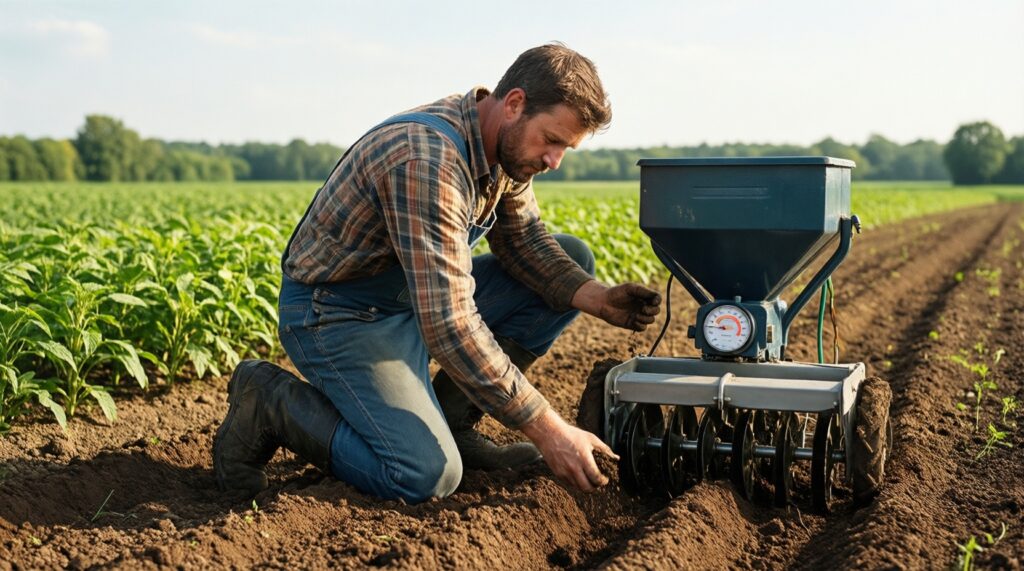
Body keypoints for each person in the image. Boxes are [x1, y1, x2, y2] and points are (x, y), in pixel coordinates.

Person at [213, 43, 662, 503]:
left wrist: (597, 298)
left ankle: (452, 424)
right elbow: (449, 323)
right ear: (515, 105)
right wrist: (548, 428)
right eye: (552, 140)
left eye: (565, 147)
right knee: (424, 476)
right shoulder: (427, 161)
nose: (554, 161)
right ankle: (270, 401)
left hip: (409, 297)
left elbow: (523, 241)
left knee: (574, 260)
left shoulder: (503, 147)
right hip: (339, 313)